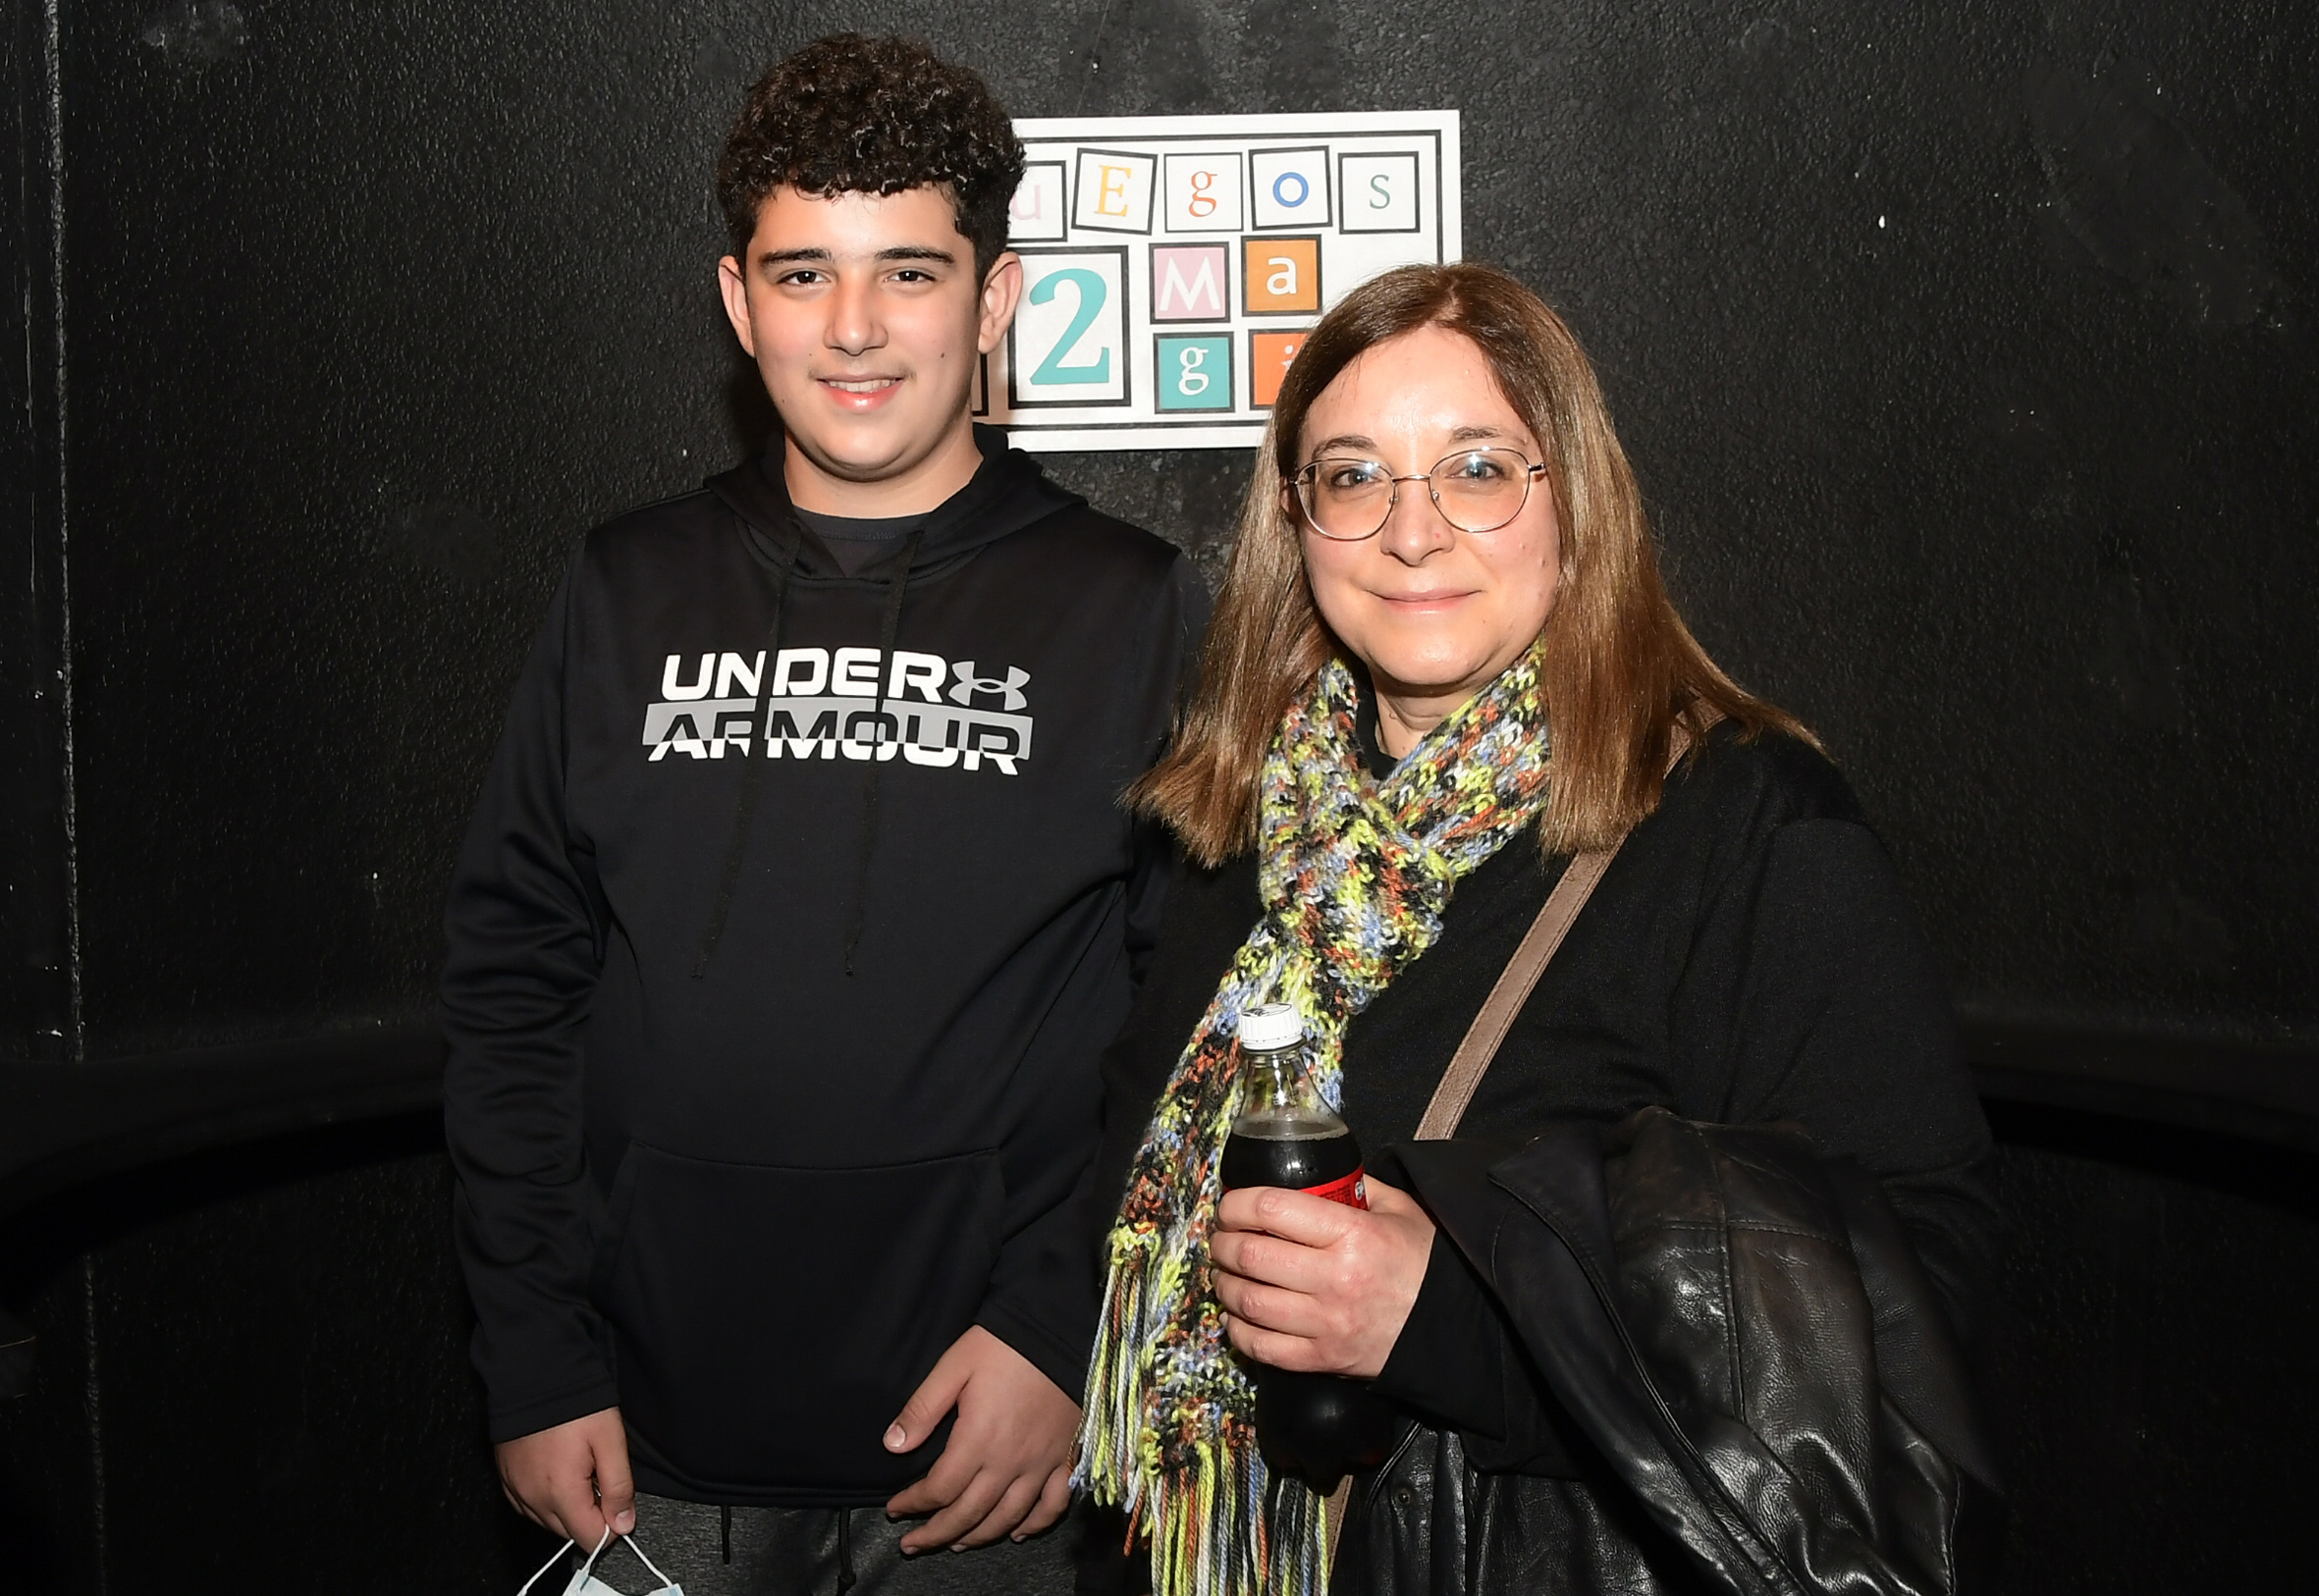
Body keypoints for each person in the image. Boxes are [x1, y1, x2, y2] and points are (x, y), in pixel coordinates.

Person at [1078, 263, 1999, 1595]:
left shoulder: (1743, 823)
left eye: (1474, 468)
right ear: (1298, 523)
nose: (1411, 532)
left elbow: (1926, 1288)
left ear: (1573, 499)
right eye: (1353, 477)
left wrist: (1453, 1324)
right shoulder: (1238, 820)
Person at [442, 33, 1205, 1596]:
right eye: (802, 275)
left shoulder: (1128, 611)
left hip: (985, 1470)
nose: (853, 329)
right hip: (642, 1454)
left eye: (908, 273)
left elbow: (1191, 1025)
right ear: (737, 302)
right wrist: (533, 1353)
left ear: (994, 301)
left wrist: (1065, 1332)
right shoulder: (623, 587)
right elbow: (514, 983)